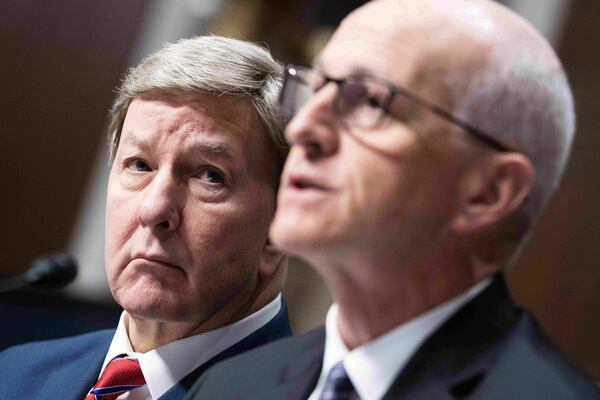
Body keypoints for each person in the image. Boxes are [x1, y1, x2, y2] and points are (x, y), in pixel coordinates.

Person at [186, 1, 600, 399]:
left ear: (487, 193)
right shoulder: (228, 386)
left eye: (367, 101)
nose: (301, 129)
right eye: (313, 89)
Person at [0, 35, 291, 400]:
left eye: (210, 175)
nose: (154, 210)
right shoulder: (14, 375)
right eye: (140, 165)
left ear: (282, 225)